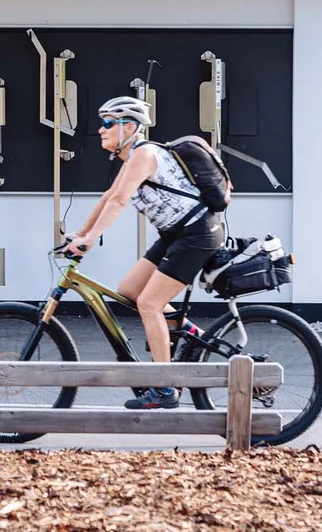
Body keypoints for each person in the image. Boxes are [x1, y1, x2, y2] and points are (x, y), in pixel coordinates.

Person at [61, 95, 226, 409]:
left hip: (197, 233)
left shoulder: (144, 153)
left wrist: (92, 239)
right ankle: (186, 333)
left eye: (109, 123)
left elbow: (121, 201)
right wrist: (81, 235)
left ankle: (165, 390)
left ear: (130, 127)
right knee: (130, 291)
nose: (101, 129)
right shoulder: (132, 157)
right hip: (176, 233)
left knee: (150, 303)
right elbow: (109, 197)